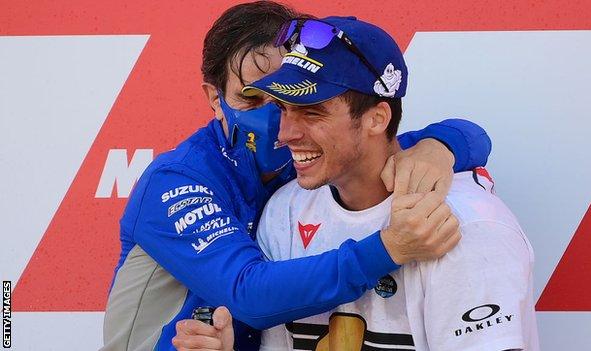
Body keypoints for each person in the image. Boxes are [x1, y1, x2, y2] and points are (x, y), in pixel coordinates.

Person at [102, 2, 492, 351]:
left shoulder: (308, 155)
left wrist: (440, 146)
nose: (278, 122)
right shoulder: (177, 180)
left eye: (292, 97)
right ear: (214, 99)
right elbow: (250, 294)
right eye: (252, 98)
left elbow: (456, 136)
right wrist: (389, 248)